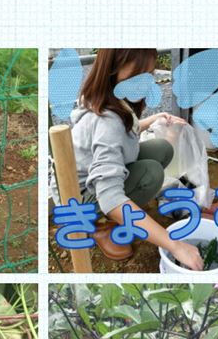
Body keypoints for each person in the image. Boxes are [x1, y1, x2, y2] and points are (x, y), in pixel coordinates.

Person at [50, 48, 204, 270]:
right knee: (151, 174)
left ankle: (123, 212)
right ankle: (101, 226)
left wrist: (153, 119)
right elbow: (110, 196)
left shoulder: (111, 98)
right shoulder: (107, 122)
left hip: (93, 178)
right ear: (113, 70)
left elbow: (125, 132)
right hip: (79, 198)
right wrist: (175, 245)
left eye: (149, 75)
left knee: (161, 149)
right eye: (137, 75)